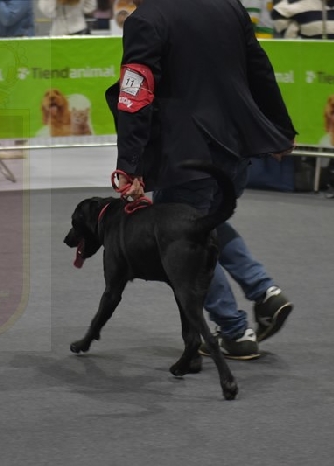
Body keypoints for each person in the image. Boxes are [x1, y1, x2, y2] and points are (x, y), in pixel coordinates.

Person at [106, 0, 297, 359]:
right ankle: (265, 293)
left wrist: (129, 166)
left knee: (180, 240)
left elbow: (135, 96)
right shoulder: (228, 5)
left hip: (188, 152)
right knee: (207, 223)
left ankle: (234, 331)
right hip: (236, 145)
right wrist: (281, 130)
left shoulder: (146, 20)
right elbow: (260, 68)